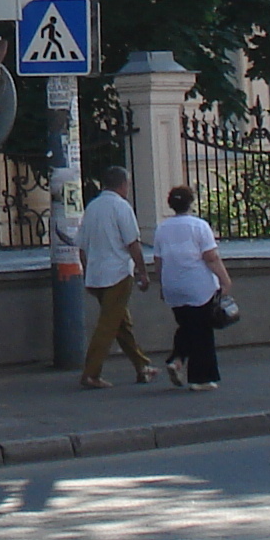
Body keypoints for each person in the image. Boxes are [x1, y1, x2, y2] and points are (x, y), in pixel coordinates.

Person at [75, 165, 157, 387]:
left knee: (120, 322)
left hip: (96, 274)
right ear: (123, 185)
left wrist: (87, 272)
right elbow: (133, 243)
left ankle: (142, 366)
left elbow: (81, 248)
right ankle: (91, 373)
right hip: (118, 274)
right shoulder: (121, 207)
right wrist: (142, 272)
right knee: (108, 325)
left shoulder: (92, 208)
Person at [154, 182, 232, 391]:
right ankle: (201, 378)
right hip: (198, 285)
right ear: (191, 203)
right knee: (203, 331)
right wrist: (225, 280)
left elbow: (158, 260)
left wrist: (162, 284)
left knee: (188, 325)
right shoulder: (199, 226)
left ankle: (177, 359)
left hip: (173, 285)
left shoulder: (162, 229)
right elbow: (211, 257)